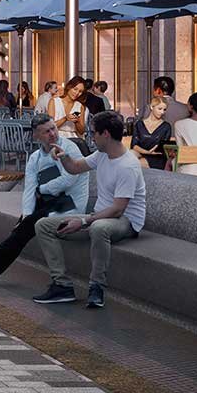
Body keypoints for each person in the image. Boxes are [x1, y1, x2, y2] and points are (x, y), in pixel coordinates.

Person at [32, 110, 146, 309]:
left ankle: (97, 287)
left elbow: (118, 209)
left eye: (94, 133)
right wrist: (63, 156)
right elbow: (75, 167)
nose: (90, 136)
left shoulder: (128, 166)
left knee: (99, 228)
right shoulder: (102, 154)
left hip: (126, 222)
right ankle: (62, 285)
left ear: (106, 134)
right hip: (101, 215)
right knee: (43, 225)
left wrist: (84, 221)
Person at [0, 113, 90, 288]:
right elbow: (29, 190)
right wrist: (26, 215)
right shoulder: (35, 158)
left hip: (70, 204)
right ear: (36, 136)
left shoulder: (69, 148)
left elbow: (69, 180)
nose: (52, 134)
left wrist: (42, 189)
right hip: (49, 204)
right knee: (25, 226)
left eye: (53, 128)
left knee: (26, 227)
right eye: (46, 132)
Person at [129, 95, 172, 170]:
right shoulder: (139, 124)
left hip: (157, 158)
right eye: (160, 109)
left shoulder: (166, 126)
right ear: (152, 107)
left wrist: (150, 153)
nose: (162, 112)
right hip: (141, 154)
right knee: (129, 155)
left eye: (164, 110)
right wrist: (147, 152)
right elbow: (134, 145)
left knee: (135, 163)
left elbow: (163, 148)